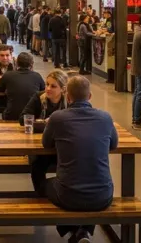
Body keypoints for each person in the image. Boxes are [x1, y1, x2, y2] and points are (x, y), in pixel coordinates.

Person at [42, 75, 118, 242]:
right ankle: (83, 231)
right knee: (87, 185)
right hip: (103, 195)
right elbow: (114, 144)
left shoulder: (58, 118)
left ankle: (70, 230)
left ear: (67, 97)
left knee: (45, 183)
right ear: (89, 96)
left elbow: (46, 143)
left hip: (67, 196)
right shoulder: (105, 118)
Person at [20, 70, 68, 194]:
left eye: (53, 86)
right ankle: (40, 195)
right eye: (47, 84)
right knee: (37, 166)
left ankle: (66, 191)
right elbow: (23, 119)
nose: (47, 88)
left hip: (63, 146)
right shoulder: (38, 97)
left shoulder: (69, 102)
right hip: (41, 145)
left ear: (63, 89)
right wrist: (46, 123)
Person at [0, 52, 45, 121]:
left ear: (17, 63)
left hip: (11, 115)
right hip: (31, 117)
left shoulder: (8, 75)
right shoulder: (37, 76)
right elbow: (43, 91)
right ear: (31, 64)